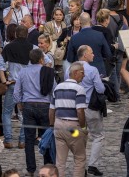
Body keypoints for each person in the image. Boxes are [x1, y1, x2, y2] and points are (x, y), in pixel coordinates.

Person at [65, 46, 106, 176]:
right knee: (97, 136)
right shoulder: (92, 70)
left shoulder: (69, 69)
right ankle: (93, 164)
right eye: (91, 53)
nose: (93, 55)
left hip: (73, 107)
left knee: (78, 137)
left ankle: (80, 165)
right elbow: (100, 89)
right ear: (84, 55)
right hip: (89, 107)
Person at [13, 49, 55, 175]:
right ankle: (47, 167)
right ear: (42, 59)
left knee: (29, 139)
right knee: (46, 138)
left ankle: (31, 169)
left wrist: (20, 104)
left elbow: (16, 92)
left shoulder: (23, 72)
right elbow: (54, 90)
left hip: (29, 105)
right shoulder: (48, 72)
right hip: (45, 105)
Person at [0, 25, 34, 149]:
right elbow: (46, 61)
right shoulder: (33, 48)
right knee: (25, 114)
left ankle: (8, 139)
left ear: (16, 34)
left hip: (13, 84)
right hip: (28, 85)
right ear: (27, 35)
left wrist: (4, 81)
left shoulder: (9, 47)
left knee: (7, 112)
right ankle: (22, 141)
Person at [49, 62, 88, 177]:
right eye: (82, 72)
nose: (84, 75)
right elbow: (80, 111)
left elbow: (51, 110)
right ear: (75, 73)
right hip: (73, 128)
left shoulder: (57, 88)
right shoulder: (79, 89)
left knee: (60, 161)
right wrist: (84, 127)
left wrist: (52, 125)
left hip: (59, 125)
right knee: (79, 158)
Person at [66, 13, 112, 77]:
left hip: (81, 73)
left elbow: (70, 58)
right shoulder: (99, 35)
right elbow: (108, 54)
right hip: (98, 70)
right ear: (90, 20)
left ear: (80, 22)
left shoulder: (74, 38)